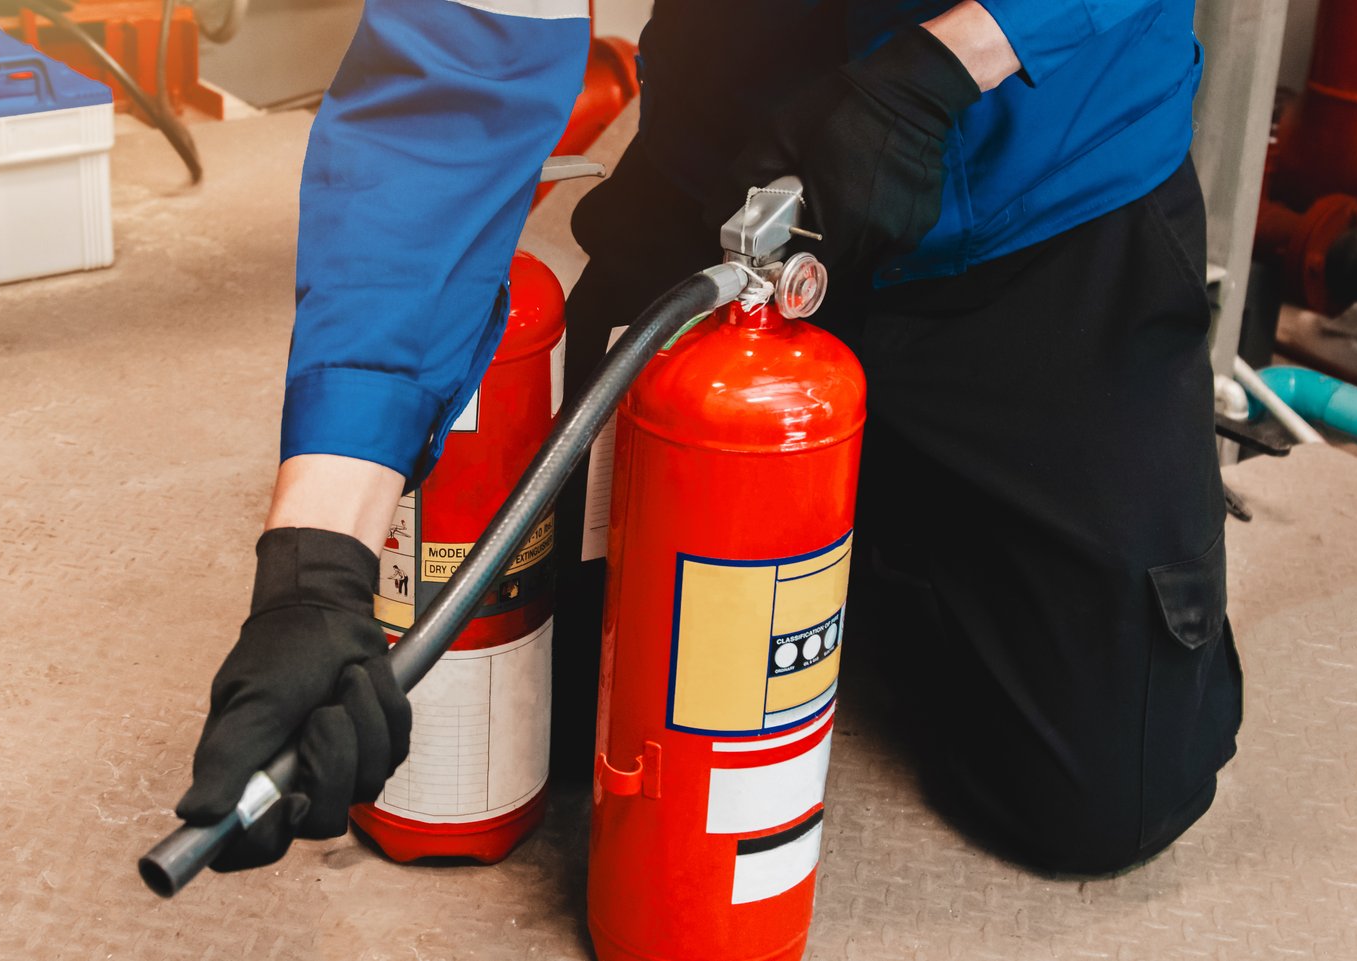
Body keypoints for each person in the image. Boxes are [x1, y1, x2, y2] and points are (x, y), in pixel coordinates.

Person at [173, 0, 1242, 877]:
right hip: (743, 160)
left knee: (1098, 798)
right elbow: (451, 95)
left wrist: (951, 59)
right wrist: (315, 565)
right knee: (516, 722)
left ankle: (891, 526)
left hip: (1043, 197)